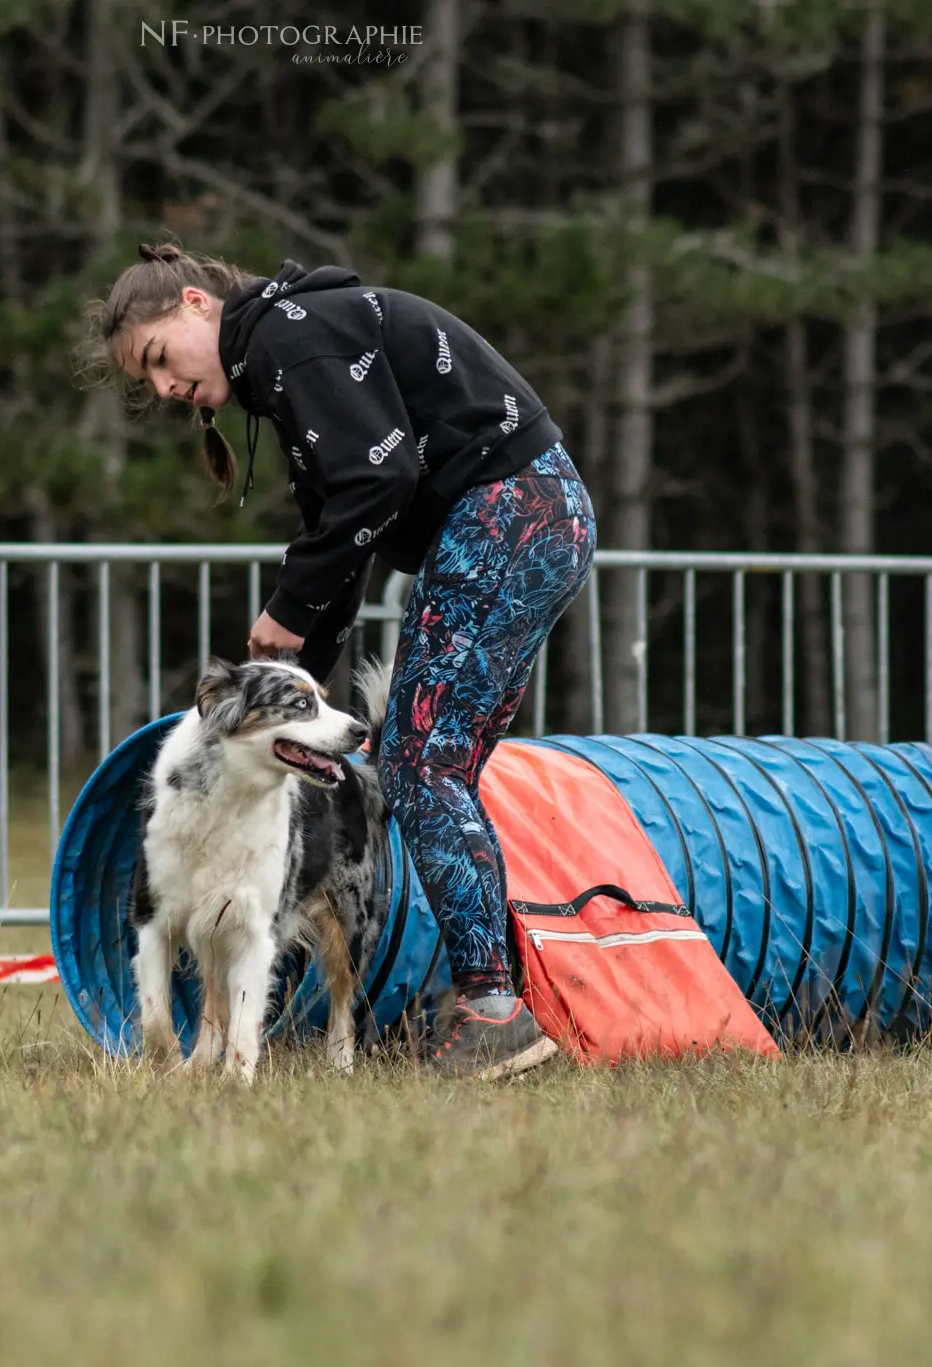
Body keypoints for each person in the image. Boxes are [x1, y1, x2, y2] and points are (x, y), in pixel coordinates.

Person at [79, 242, 596, 1079]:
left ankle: (493, 1010)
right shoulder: (286, 353)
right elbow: (346, 528)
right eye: (151, 385)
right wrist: (301, 660)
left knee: (423, 766)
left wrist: (287, 604)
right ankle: (505, 998)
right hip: (534, 511)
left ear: (194, 303)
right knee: (439, 766)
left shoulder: (291, 335)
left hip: (508, 510)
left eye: (158, 360)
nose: (167, 389)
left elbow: (378, 479)